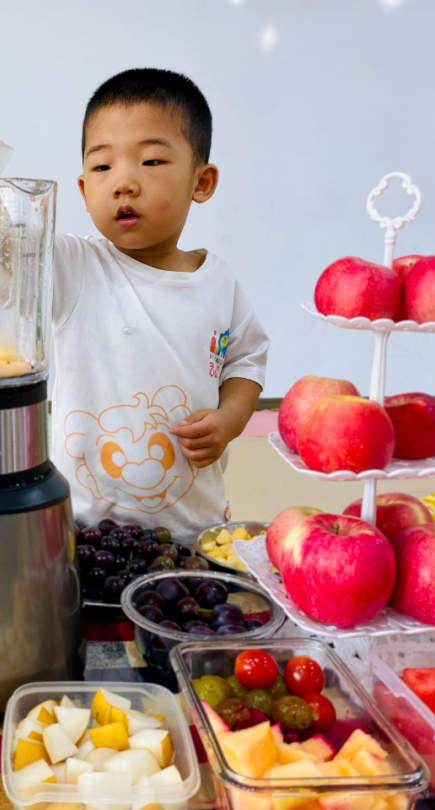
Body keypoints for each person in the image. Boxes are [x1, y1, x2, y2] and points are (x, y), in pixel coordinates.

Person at [52, 68, 269, 541]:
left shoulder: (219, 282)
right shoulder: (71, 266)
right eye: (103, 167)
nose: (124, 183)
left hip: (193, 534)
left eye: (150, 162)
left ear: (202, 181)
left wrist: (229, 420)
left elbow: (247, 362)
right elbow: (2, 241)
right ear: (85, 190)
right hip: (82, 537)